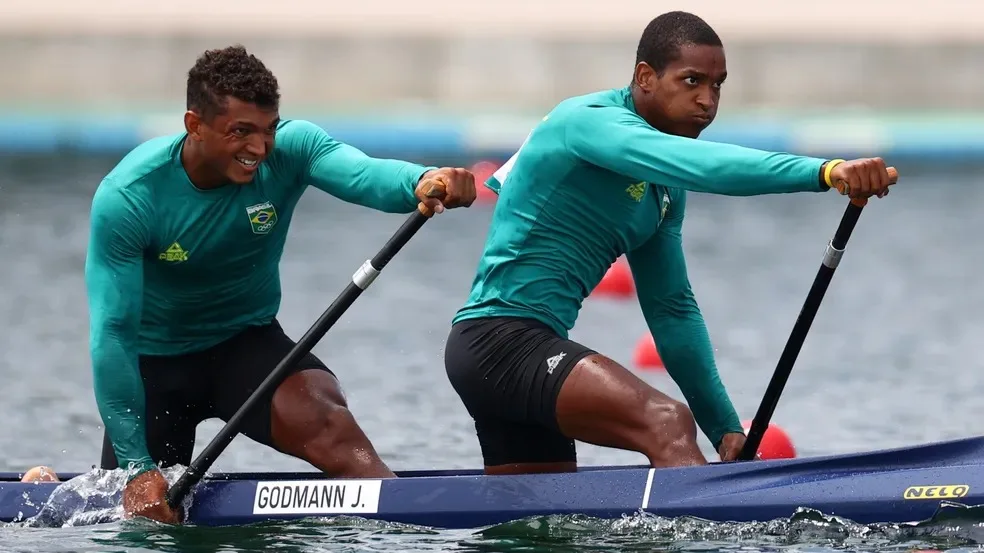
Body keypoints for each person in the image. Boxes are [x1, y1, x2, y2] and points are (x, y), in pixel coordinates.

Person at [444, 11, 897, 476]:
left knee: (536, 525)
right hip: (497, 342)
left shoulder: (662, 191)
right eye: (692, 81)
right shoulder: (588, 122)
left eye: (718, 85)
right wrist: (824, 173)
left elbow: (672, 309)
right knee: (667, 421)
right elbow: (700, 164)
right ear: (645, 77)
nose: (707, 100)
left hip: (531, 352)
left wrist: (722, 427)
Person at [85, 45, 476, 523]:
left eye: (268, 130)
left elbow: (363, 173)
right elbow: (113, 335)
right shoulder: (130, 197)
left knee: (338, 435)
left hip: (246, 347)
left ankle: (413, 525)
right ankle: (52, 484)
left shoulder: (292, 149)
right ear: (194, 125)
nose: (259, 148)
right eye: (240, 132)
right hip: (153, 371)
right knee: (139, 523)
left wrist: (423, 180)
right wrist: (135, 469)